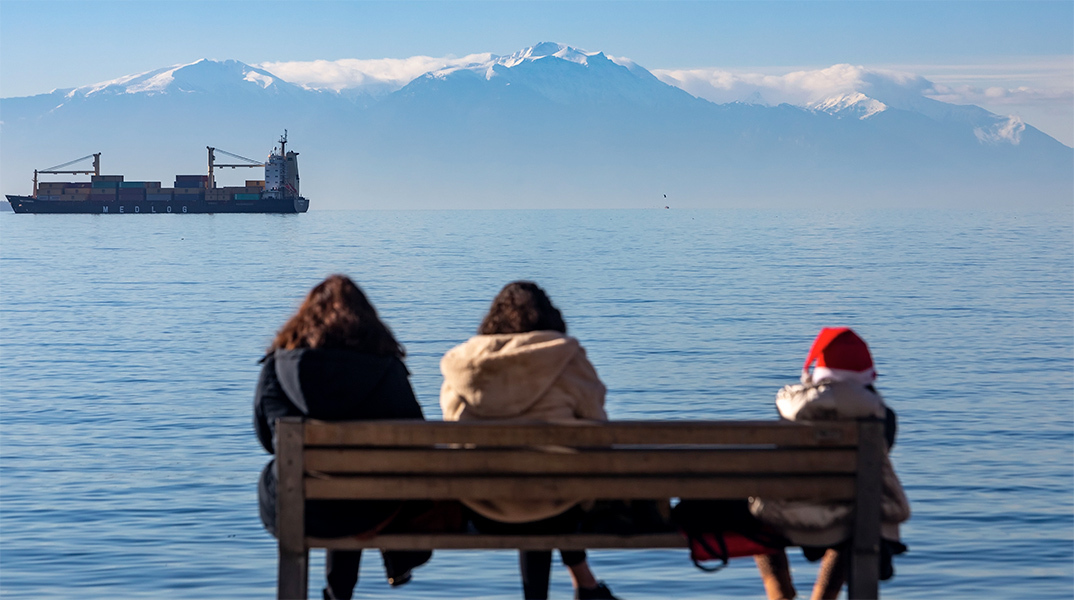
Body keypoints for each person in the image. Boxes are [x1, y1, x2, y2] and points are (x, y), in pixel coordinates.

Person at [254, 275, 432, 600]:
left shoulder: (278, 367)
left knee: (314, 481)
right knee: (363, 484)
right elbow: (415, 438)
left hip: (295, 508)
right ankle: (366, 578)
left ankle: (339, 593)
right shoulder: (386, 369)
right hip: (372, 507)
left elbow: (267, 440)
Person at [440, 281, 618, 600]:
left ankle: (580, 588)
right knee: (551, 486)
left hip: (484, 509)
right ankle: (585, 588)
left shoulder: (464, 367)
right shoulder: (566, 358)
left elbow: (453, 433)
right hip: (559, 507)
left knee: (529, 484)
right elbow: (598, 430)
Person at [749, 327, 910, 600]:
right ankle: (825, 595)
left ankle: (779, 591)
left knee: (754, 504)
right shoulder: (882, 416)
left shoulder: (788, 409)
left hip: (780, 517)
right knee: (858, 511)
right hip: (850, 519)